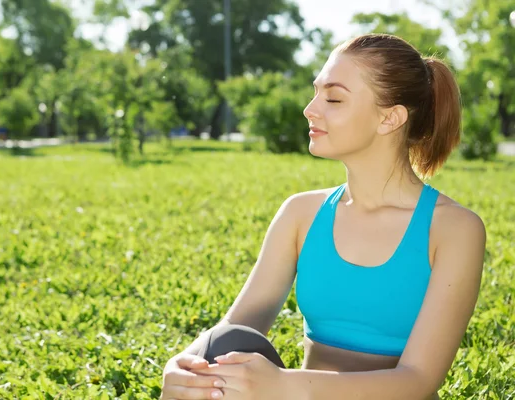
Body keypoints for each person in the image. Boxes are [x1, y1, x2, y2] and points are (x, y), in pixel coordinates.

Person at [159, 33, 486, 400]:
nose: (310, 109)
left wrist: (285, 385)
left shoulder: (454, 229)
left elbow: (418, 380)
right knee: (223, 346)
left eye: (333, 98)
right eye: (316, 93)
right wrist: (186, 364)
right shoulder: (301, 213)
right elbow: (239, 324)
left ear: (390, 118)